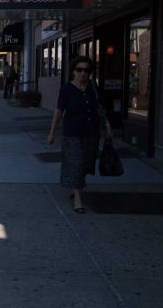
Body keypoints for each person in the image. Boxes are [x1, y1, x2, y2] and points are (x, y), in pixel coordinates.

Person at [47, 56, 113, 213]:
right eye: (79, 70)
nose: (83, 73)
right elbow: (59, 111)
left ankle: (74, 186)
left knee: (86, 164)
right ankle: (78, 199)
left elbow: (99, 108)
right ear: (73, 72)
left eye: (87, 70)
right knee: (75, 164)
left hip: (91, 132)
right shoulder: (66, 90)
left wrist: (108, 125)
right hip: (72, 133)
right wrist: (52, 133)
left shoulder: (93, 87)